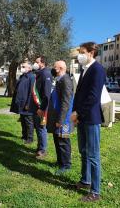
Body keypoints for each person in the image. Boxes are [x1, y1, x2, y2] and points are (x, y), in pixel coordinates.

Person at [71, 42, 106, 202]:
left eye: (82, 52)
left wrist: (78, 112)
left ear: (91, 52)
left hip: (91, 118)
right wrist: (75, 113)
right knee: (83, 151)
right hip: (82, 117)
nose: (80, 55)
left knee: (93, 155)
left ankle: (95, 191)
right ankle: (85, 180)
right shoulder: (85, 69)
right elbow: (79, 94)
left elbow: (93, 96)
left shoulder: (97, 69)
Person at [48, 61, 73, 175]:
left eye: (55, 67)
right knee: (57, 140)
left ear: (61, 68)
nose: (53, 69)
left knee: (63, 141)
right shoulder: (60, 79)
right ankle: (60, 161)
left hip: (64, 118)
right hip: (57, 116)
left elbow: (65, 102)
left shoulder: (66, 80)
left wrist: (61, 120)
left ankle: (66, 165)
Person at [30, 56, 52, 159]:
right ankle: (39, 147)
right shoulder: (39, 74)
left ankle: (43, 150)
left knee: (42, 129)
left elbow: (46, 94)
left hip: (42, 108)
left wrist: (42, 108)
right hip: (36, 107)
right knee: (38, 128)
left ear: (42, 63)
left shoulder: (46, 74)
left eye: (36, 62)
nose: (35, 63)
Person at [10, 62, 35, 144]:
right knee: (23, 121)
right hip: (21, 103)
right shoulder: (22, 76)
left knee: (28, 122)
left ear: (30, 68)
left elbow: (32, 92)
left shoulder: (31, 77)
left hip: (27, 104)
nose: (22, 68)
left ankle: (30, 138)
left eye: (24, 66)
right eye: (21, 66)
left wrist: (28, 104)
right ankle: (24, 135)